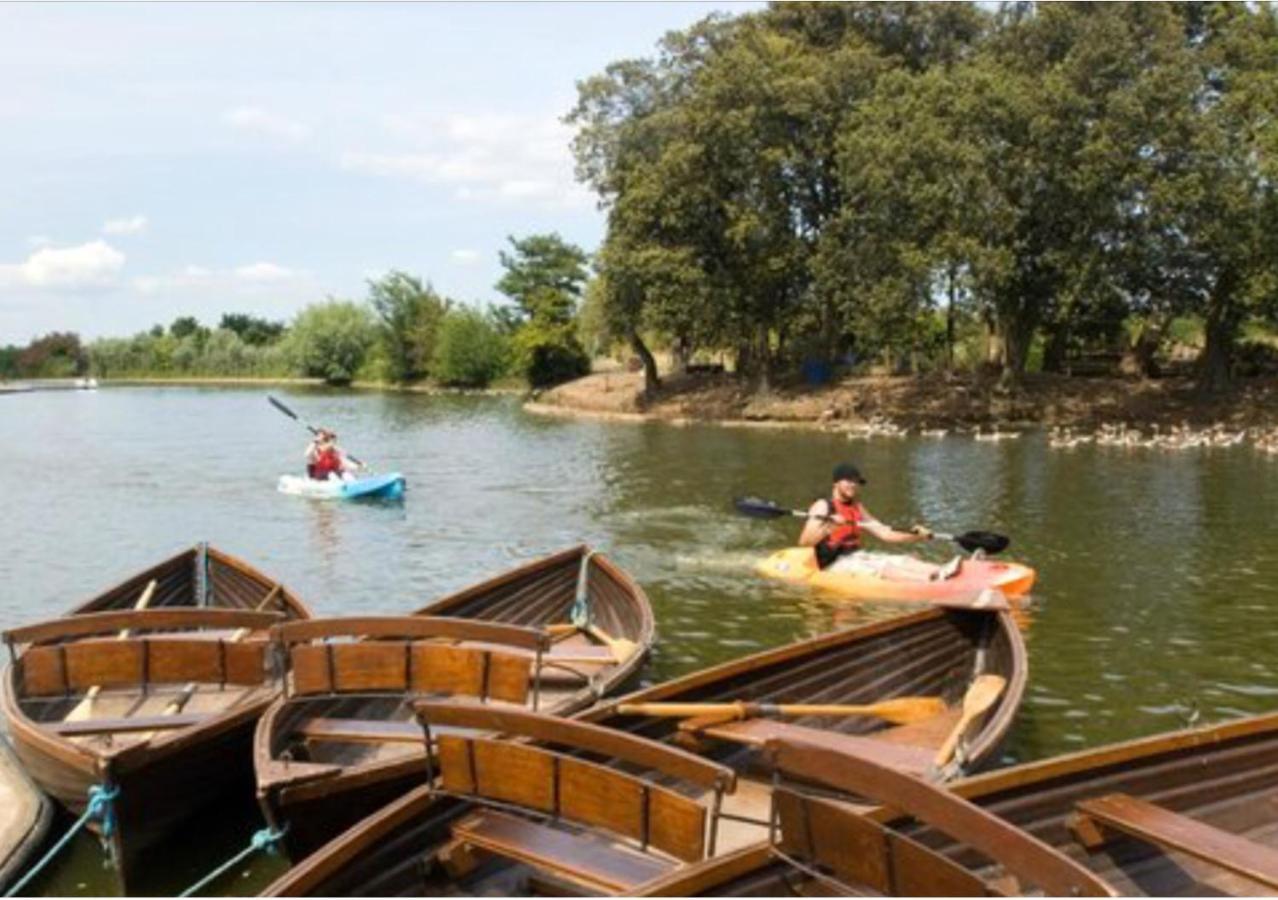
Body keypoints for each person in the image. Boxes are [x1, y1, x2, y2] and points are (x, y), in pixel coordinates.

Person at [799, 463, 932, 569]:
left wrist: (916, 535)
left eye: (856, 482)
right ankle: (935, 585)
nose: (854, 485)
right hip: (833, 562)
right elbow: (804, 542)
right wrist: (829, 527)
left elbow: (885, 532)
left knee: (909, 560)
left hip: (854, 557)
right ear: (836, 483)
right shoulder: (823, 505)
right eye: (849, 481)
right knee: (888, 569)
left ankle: (942, 574)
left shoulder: (857, 507)